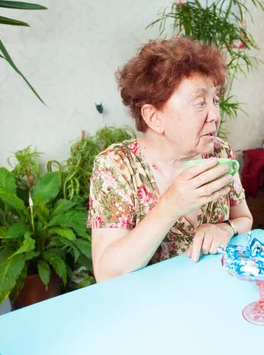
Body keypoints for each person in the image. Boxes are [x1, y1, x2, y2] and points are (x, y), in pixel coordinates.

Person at [88, 37, 253, 282]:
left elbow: (245, 219)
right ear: (154, 117)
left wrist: (224, 228)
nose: (215, 115)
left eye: (215, 100)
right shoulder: (116, 166)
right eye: (200, 102)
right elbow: (107, 273)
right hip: (150, 308)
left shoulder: (219, 153)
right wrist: (172, 204)